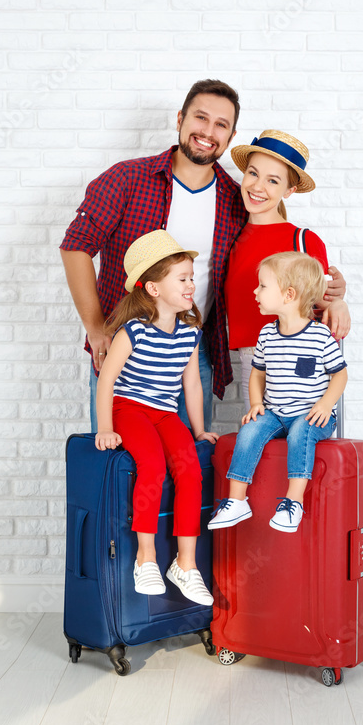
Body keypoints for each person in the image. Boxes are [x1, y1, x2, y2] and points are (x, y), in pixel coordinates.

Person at [60, 78, 248, 434]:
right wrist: (96, 328)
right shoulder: (128, 179)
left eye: (221, 125)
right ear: (180, 119)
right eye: (200, 118)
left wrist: (330, 295)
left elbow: (268, 262)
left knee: (187, 469)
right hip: (126, 351)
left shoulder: (235, 200)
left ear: (231, 135)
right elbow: (76, 246)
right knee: (120, 467)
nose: (208, 131)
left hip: (192, 355)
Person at [95, 230, 219, 604]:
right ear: (152, 288)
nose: (191, 285)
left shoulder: (189, 334)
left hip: (165, 414)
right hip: (129, 409)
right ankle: (145, 556)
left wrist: (199, 431)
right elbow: (107, 381)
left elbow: (192, 386)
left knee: (191, 471)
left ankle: (185, 563)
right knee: (152, 466)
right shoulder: (131, 332)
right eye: (182, 278)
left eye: (192, 277)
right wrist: (104, 427)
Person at [208, 252, 347, 532]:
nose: (255, 291)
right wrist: (257, 403)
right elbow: (258, 372)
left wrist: (325, 404)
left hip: (310, 415)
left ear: (288, 294)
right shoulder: (267, 334)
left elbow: (340, 374)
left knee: (300, 432)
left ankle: (293, 502)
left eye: (262, 286)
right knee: (250, 429)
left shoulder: (319, 336)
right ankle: (236, 501)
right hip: (276, 412)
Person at [220, 130, 350, 390]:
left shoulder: (304, 241)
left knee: (303, 428)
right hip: (251, 357)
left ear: (289, 190)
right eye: (253, 173)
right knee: (257, 430)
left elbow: (322, 302)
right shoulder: (229, 241)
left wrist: (339, 304)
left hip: (299, 355)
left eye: (272, 181)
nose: (257, 187)